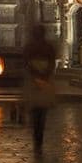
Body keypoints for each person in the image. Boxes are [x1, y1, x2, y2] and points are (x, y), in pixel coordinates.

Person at [23, 24, 57, 154]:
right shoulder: (48, 47)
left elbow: (26, 62)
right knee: (41, 114)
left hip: (35, 81)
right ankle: (39, 140)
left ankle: (37, 140)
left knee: (37, 113)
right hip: (43, 80)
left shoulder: (30, 47)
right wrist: (45, 75)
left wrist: (35, 75)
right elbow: (52, 62)